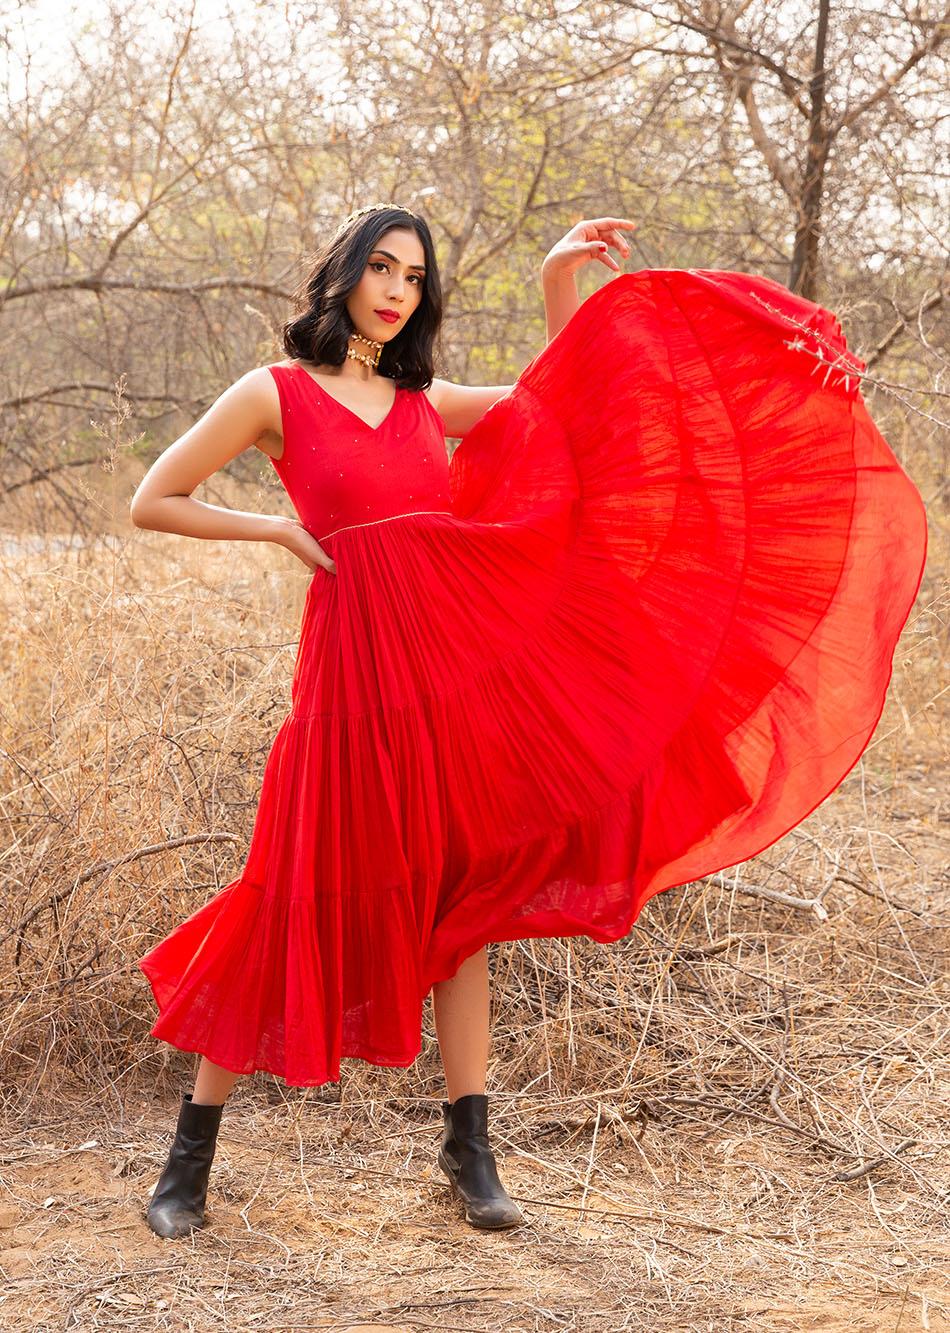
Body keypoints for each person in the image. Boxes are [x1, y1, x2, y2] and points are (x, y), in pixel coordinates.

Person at [130, 203, 927, 1241]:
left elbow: (568, 404)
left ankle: (470, 1150)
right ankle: (188, 1157)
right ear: (342, 276)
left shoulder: (426, 399)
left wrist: (564, 284)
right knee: (288, 887)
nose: (394, 289)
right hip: (349, 680)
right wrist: (277, 527)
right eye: (379, 266)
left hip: (456, 675)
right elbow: (156, 496)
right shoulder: (273, 394)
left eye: (413, 276)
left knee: (463, 908)